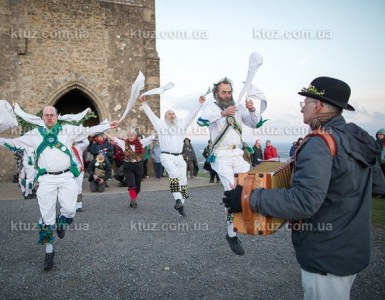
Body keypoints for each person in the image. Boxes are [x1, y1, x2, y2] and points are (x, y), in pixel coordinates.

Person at [222, 77, 385, 299]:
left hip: (326, 255)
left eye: (305, 103)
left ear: (318, 105)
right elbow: (378, 186)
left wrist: (247, 197)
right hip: (353, 249)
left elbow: (304, 201)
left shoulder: (319, 143)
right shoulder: (358, 136)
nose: (302, 110)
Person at [0, 106, 118, 270]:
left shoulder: (68, 130)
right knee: (46, 218)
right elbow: (14, 143)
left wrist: (107, 126)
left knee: (70, 210)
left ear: (57, 116)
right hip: (46, 179)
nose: (49, 117)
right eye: (46, 115)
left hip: (66, 177)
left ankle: (61, 224)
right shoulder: (34, 134)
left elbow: (88, 130)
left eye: (52, 115)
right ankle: (49, 251)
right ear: (42, 117)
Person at [197, 77, 260, 256]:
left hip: (238, 154)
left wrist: (252, 109)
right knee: (232, 191)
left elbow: (253, 123)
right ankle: (231, 234)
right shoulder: (211, 107)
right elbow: (201, 121)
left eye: (229, 92)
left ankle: (246, 220)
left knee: (249, 187)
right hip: (221, 155)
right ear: (217, 93)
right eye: (223, 92)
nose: (227, 95)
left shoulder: (238, 107)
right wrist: (223, 114)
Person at [139, 95, 205, 217]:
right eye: (169, 113)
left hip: (179, 157)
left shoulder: (181, 124)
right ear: (165, 117)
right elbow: (151, 116)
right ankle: (178, 200)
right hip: (166, 156)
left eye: (173, 113)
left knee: (183, 180)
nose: (171, 115)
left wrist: (199, 104)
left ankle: (181, 205)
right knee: (174, 174)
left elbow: (192, 114)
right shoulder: (160, 125)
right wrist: (144, 104)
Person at [103, 130, 154, 208]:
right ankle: (133, 200)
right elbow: (114, 138)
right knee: (131, 184)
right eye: (129, 135)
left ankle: (133, 199)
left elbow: (152, 137)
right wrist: (105, 133)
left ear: (135, 136)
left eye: (132, 135)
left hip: (138, 166)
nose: (130, 136)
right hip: (128, 166)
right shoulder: (123, 143)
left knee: (137, 187)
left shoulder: (141, 142)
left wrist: (161, 130)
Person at [72, 138, 89, 211]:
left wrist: (79, 133)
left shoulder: (79, 146)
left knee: (78, 188)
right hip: (67, 171)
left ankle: (78, 205)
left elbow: (87, 142)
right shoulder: (63, 146)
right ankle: (70, 205)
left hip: (78, 170)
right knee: (69, 189)